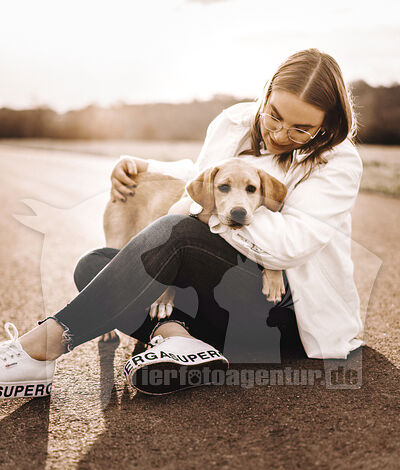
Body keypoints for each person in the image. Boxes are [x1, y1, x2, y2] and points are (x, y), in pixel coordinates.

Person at [0, 48, 364, 398]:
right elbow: (205, 176)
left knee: (177, 231)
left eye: (302, 129)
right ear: (266, 94)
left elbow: (289, 245)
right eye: (274, 116)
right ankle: (181, 340)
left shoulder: (338, 161)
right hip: (220, 311)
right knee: (96, 265)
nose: (281, 134)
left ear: (327, 125)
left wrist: (209, 208)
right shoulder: (231, 123)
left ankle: (41, 348)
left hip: (283, 317)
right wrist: (148, 167)